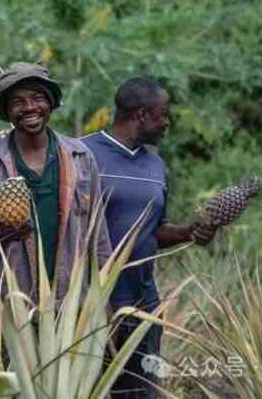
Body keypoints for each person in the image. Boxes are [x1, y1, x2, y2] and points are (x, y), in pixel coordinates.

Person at [82, 77, 217, 399]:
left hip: (144, 306)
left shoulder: (155, 164)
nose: (167, 123)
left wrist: (187, 233)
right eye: (163, 114)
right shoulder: (82, 154)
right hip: (92, 306)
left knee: (142, 393)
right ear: (141, 115)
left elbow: (154, 230)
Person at [0, 62, 112, 303]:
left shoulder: (80, 157)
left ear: (50, 103)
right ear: (7, 111)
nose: (30, 107)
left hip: (73, 300)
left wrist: (104, 299)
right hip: (13, 302)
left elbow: (99, 234)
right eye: (17, 102)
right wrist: (6, 235)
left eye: (38, 98)